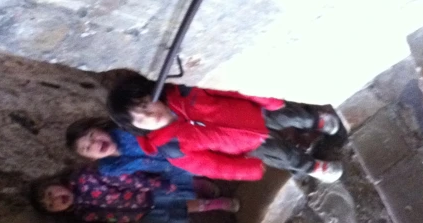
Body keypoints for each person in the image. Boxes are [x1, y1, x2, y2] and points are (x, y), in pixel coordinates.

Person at [106, 72, 343, 182]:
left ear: (154, 93)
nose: (149, 114)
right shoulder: (172, 148)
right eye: (139, 118)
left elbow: (226, 90)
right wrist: (245, 169)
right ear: (138, 128)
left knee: (291, 114)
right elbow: (212, 166)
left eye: (146, 104)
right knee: (284, 155)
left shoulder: (184, 91)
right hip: (247, 146)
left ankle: (318, 121)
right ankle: (313, 167)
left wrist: (266, 100)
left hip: (252, 112)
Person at [30, 168, 238, 223]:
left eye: (51, 194)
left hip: (146, 192)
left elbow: (121, 180)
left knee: (178, 188)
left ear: (56, 183)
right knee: (183, 207)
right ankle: (214, 204)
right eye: (51, 205)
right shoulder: (80, 214)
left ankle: (199, 185)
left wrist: (151, 184)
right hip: (141, 212)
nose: (55, 200)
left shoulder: (85, 179)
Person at [65, 117, 221, 198]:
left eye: (92, 135)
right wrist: (160, 183)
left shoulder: (125, 130)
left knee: (215, 150)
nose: (94, 143)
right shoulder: (109, 168)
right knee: (208, 169)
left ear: (100, 128)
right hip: (171, 167)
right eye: (87, 148)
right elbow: (136, 176)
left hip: (181, 148)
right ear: (91, 158)